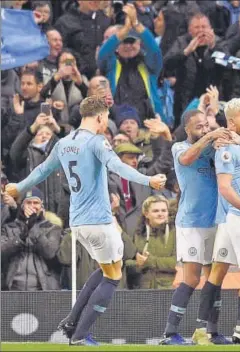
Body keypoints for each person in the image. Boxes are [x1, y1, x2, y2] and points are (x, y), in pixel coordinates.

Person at [5, 95, 166, 346]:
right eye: (106, 119)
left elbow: (42, 170)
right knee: (113, 275)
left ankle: (71, 321)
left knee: (106, 269)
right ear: (100, 117)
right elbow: (118, 166)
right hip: (99, 220)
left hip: (77, 221)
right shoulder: (97, 142)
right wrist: (149, 181)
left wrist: (19, 186)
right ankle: (79, 334)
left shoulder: (64, 143)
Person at [193, 98, 240, 345]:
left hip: (233, 218)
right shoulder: (225, 149)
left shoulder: (238, 145)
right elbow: (225, 188)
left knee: (220, 271)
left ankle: (224, 330)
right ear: (231, 121)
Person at [159, 110, 232, 345]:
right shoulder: (179, 147)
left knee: (215, 279)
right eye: (199, 126)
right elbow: (188, 159)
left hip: (216, 221)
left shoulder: (213, 147)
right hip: (191, 223)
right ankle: (170, 333)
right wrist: (209, 137)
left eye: (206, 125)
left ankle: (212, 331)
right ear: (188, 129)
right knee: (191, 279)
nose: (204, 129)